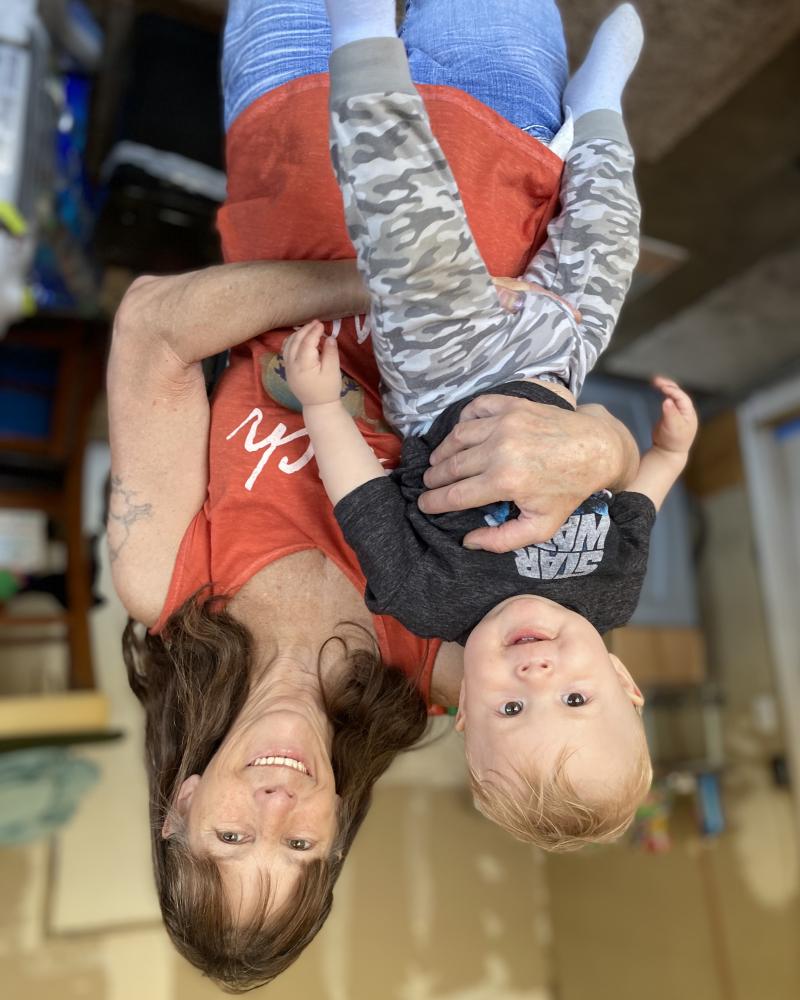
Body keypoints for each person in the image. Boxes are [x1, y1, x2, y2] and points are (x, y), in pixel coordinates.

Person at [108, 0, 641, 990]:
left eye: (233, 835)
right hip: (496, 157)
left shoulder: (169, 583)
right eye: (299, 846)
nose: (275, 808)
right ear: (336, 831)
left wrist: (396, 280)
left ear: (182, 805)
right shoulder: (446, 669)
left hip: (289, 123)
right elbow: (596, 529)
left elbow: (152, 325)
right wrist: (604, 445)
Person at [284, 2, 698, 849]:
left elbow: (362, 497)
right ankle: (600, 109)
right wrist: (667, 452)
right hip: (562, 355)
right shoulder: (610, 593)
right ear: (624, 684)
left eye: (514, 708)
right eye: (575, 697)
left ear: (466, 709)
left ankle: (363, 42)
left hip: (445, 372)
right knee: (612, 243)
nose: (538, 673)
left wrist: (323, 406)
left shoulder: (425, 600)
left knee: (410, 234)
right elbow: (638, 508)